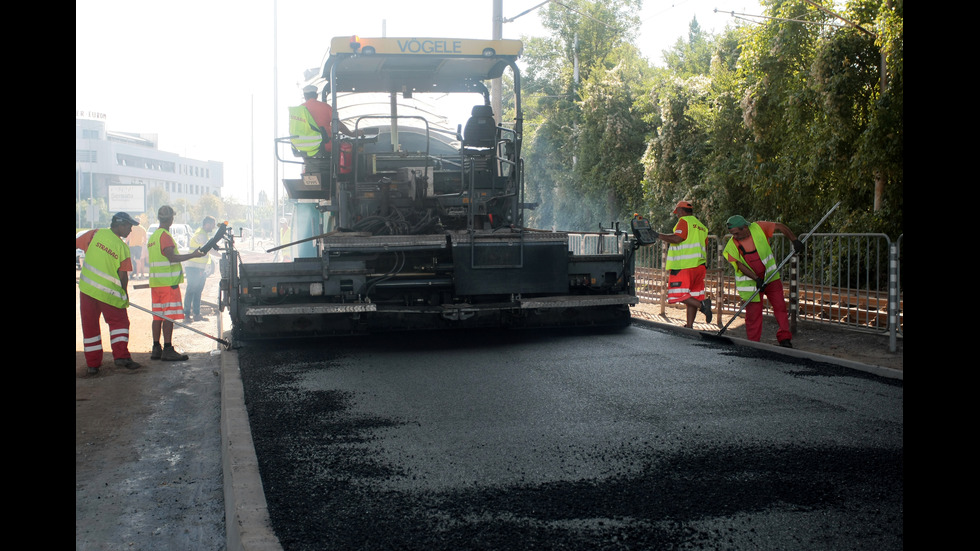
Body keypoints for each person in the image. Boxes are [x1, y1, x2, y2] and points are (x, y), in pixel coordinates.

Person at [77, 212, 143, 374]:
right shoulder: (122, 248)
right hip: (109, 294)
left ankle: (93, 365)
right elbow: (123, 276)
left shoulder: (94, 234)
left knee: (90, 327)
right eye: (129, 226)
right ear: (120, 225)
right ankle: (121, 357)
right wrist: (124, 295)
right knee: (120, 323)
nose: (130, 230)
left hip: (87, 290)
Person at [723, 215, 805, 347]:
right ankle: (753, 343)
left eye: (737, 233)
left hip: (770, 277)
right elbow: (740, 265)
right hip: (751, 283)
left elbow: (781, 227)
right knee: (753, 315)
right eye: (732, 234)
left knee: (780, 307)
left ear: (745, 227)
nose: (735, 236)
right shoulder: (732, 245)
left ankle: (784, 338)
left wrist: (794, 240)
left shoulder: (759, 227)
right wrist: (756, 279)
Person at [148, 205, 205, 361]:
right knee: (168, 317)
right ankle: (167, 348)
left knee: (157, 316)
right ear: (171, 219)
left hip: (157, 284)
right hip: (168, 285)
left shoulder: (153, 237)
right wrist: (193, 255)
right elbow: (171, 257)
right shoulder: (165, 236)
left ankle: (156, 348)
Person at [657, 200, 713, 328]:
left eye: (677, 213)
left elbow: (677, 239)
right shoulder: (701, 227)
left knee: (679, 294)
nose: (677, 215)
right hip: (699, 267)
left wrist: (659, 235)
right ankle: (689, 325)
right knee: (692, 296)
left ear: (681, 211)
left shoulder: (684, 222)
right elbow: (705, 247)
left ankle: (703, 305)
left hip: (684, 266)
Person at [299, 84, 360, 153]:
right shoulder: (326, 107)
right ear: (316, 96)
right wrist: (351, 134)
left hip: (304, 148)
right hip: (325, 147)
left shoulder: (298, 110)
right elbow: (338, 125)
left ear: (304, 96)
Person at [184, 216, 218, 322]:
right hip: (193, 267)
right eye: (212, 225)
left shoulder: (204, 234)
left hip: (200, 268)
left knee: (198, 290)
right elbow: (208, 249)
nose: (213, 227)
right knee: (191, 289)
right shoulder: (201, 234)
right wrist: (221, 255)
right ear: (207, 224)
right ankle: (187, 314)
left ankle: (197, 314)